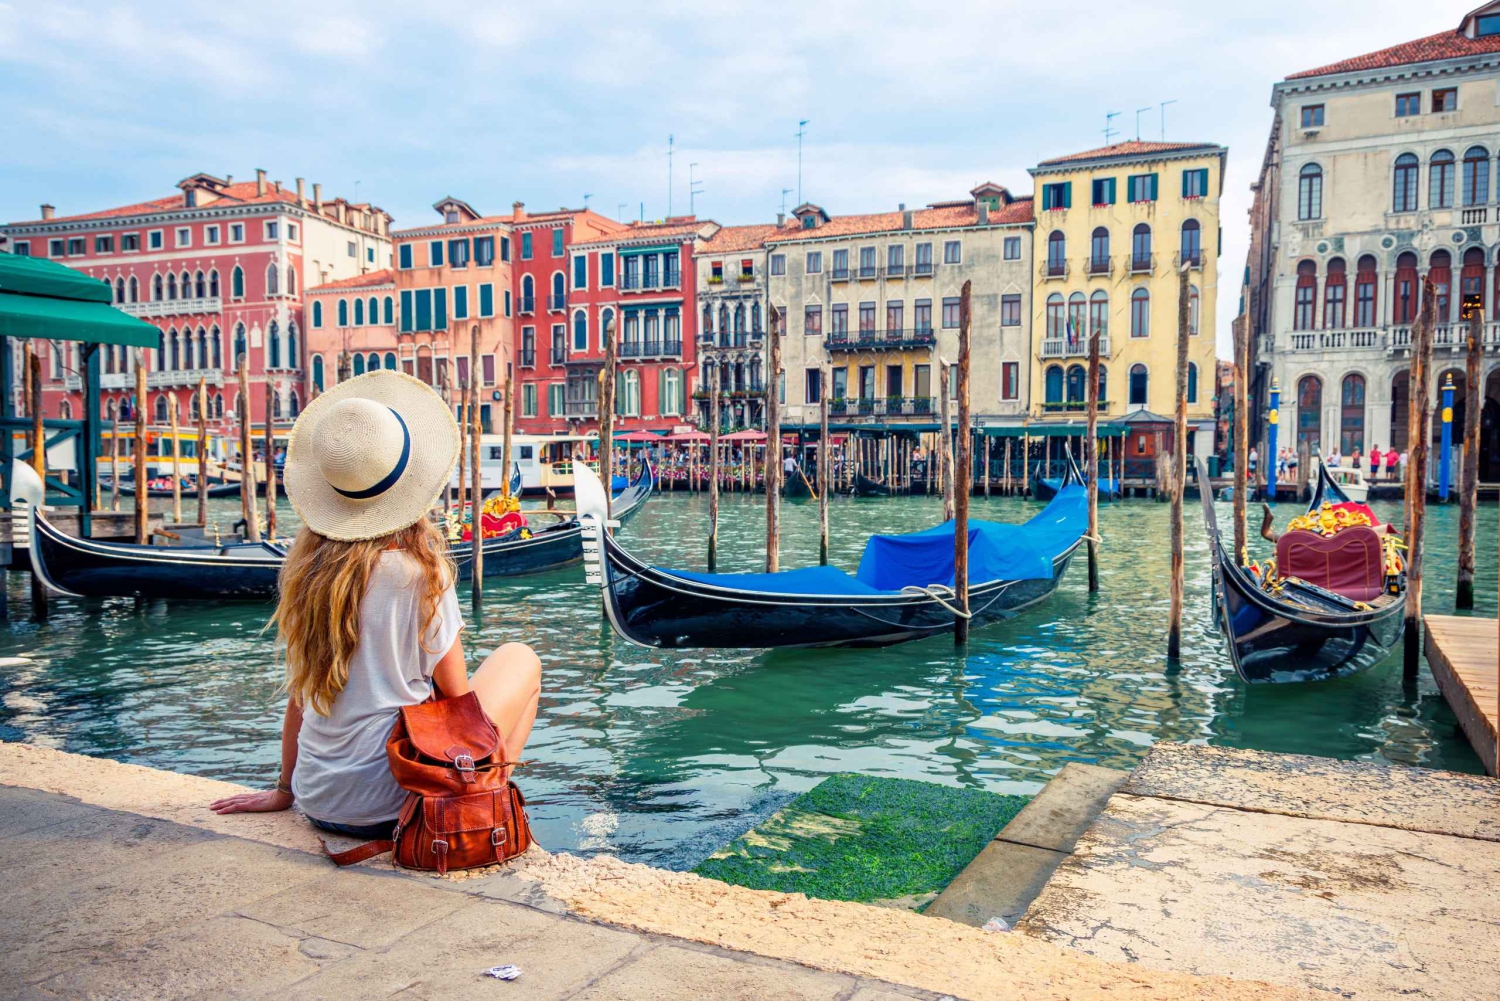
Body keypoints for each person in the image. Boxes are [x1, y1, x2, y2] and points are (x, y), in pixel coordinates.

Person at [210, 371, 541, 837]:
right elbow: (456, 699)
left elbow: (299, 698)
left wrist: (284, 790)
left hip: (319, 800)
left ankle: (476, 798)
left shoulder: (306, 573)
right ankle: (477, 800)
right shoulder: (423, 574)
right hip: (396, 802)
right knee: (520, 659)